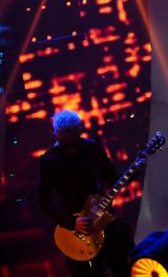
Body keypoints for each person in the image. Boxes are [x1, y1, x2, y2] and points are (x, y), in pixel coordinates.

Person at [38, 110, 135, 276]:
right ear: (56, 135)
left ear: (80, 132)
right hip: (77, 233)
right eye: (66, 146)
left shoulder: (93, 149)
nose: (71, 150)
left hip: (107, 224)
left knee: (125, 268)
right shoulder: (49, 160)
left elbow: (113, 179)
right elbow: (43, 201)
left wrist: (135, 170)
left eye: (75, 144)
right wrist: (72, 222)